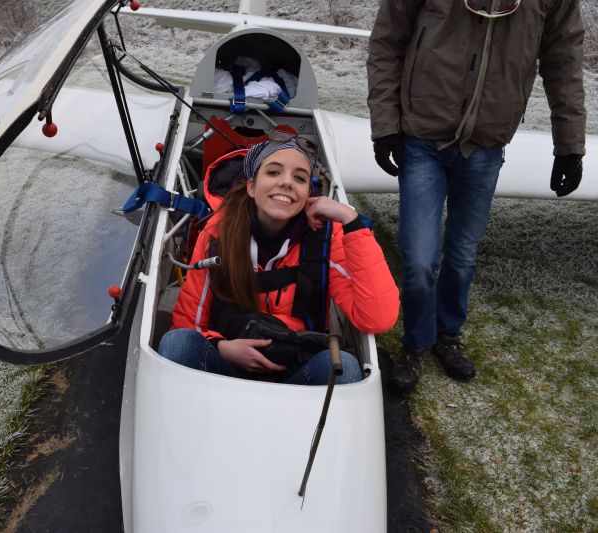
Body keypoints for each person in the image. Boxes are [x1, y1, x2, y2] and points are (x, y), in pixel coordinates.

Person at [366, 0, 586, 393]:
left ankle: (447, 335)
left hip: (485, 144)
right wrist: (385, 126)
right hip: (423, 137)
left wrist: (568, 146)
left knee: (462, 255)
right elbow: (388, 41)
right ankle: (416, 343)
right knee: (419, 259)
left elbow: (563, 61)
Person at [158, 139, 399, 385]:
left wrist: (350, 220)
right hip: (228, 362)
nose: (286, 182)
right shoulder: (219, 232)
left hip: (295, 368)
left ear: (308, 194)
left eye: (300, 178)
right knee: (177, 343)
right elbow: (188, 323)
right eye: (273, 172)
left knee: (344, 366)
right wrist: (221, 347)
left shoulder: (326, 236)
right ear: (252, 186)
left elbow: (377, 318)